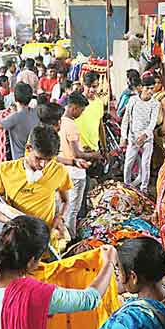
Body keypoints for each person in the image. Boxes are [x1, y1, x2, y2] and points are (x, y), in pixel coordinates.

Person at [0, 126, 72, 236]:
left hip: (45, 237)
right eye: (38, 158)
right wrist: (10, 222)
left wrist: (60, 217)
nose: (43, 165)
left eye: (48, 160)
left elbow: (65, 201)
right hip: (16, 236)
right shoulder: (5, 170)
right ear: (28, 148)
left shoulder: (59, 170)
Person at [56, 92, 98, 237]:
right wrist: (94, 155)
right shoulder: (72, 125)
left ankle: (64, 235)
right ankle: (71, 238)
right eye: (81, 110)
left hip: (63, 170)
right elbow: (76, 154)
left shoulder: (59, 122)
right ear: (74, 108)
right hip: (75, 172)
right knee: (73, 208)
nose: (81, 113)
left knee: (64, 207)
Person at [121, 76, 161, 192]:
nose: (150, 91)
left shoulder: (155, 103)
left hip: (147, 138)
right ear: (141, 88)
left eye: (152, 88)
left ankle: (144, 189)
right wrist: (124, 137)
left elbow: (153, 123)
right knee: (128, 163)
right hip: (133, 137)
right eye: (147, 88)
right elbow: (126, 119)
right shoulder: (133, 100)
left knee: (145, 164)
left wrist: (145, 135)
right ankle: (126, 187)